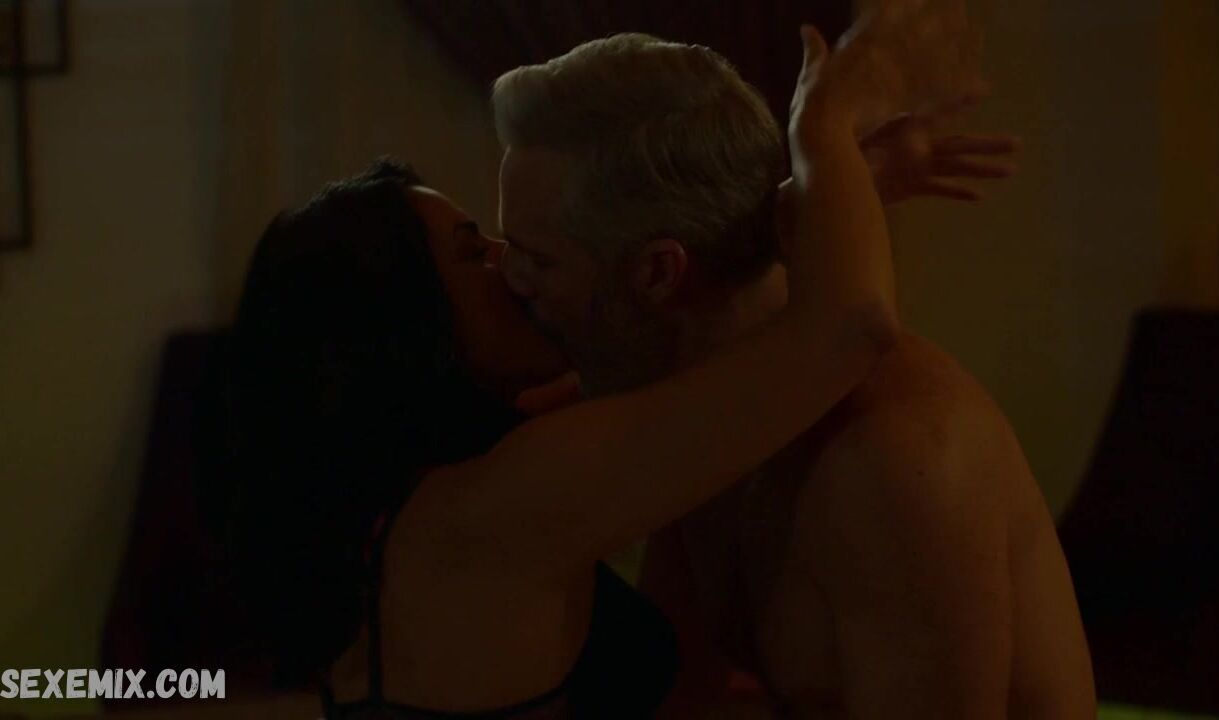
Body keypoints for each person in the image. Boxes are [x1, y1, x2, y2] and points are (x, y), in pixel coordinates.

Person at [213, 7, 957, 716]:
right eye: (475, 253)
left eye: (524, 251)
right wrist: (822, 132)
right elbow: (848, 326)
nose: (510, 268)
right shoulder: (506, 499)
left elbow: (659, 330)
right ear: (404, 328)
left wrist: (763, 214)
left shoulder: (429, 493)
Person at [492, 6, 1098, 720]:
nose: (510, 284)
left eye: (537, 261)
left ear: (657, 273)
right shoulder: (700, 406)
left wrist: (826, 137)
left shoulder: (892, 458)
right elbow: (673, 691)